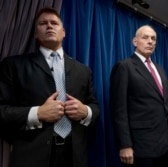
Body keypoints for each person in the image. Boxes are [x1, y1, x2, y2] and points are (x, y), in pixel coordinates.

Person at [0, 7, 99, 167]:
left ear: (64, 32)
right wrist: (37, 113)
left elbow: (95, 106)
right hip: (31, 157)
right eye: (43, 23)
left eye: (54, 23)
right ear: (35, 33)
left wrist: (85, 112)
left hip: (75, 157)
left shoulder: (83, 70)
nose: (49, 26)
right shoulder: (13, 65)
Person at [110, 25, 168, 167]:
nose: (150, 41)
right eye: (145, 37)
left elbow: (166, 103)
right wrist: (125, 145)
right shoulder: (124, 66)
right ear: (135, 41)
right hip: (141, 146)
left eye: (153, 38)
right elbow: (118, 110)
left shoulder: (160, 69)